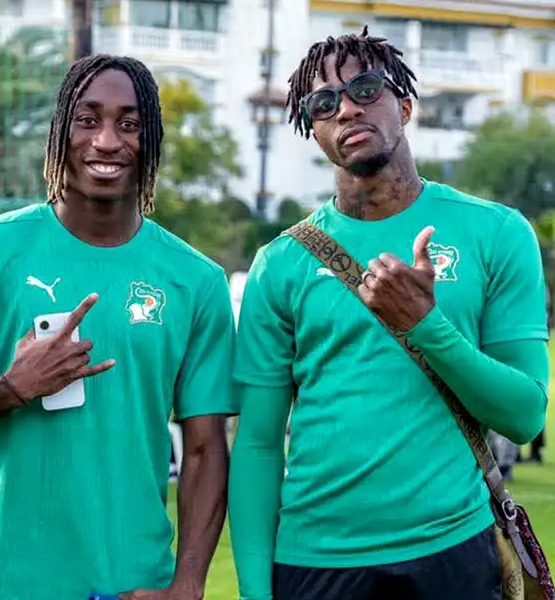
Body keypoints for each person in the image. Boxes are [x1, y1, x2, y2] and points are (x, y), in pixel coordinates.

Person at [229, 26, 548, 600]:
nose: (347, 108)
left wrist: (426, 325)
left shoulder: (497, 232)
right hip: (314, 560)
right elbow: (257, 443)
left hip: (453, 549)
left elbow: (524, 415)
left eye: (365, 89)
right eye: (323, 103)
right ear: (314, 131)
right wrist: (255, 590)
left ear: (404, 106)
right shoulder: (279, 264)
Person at [0, 53, 236, 600]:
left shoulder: (196, 281)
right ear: (59, 133)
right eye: (87, 120)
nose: (107, 140)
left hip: (131, 584)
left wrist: (188, 585)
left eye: (130, 124)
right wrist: (11, 388)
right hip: (4, 583)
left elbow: (206, 449)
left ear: (152, 139)